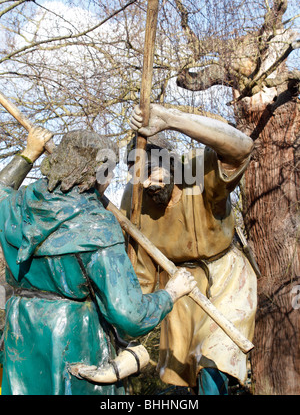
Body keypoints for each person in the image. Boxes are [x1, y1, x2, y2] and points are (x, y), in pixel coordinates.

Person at [0, 126, 197, 395]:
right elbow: (129, 315)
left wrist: (28, 154)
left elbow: (2, 188)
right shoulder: (97, 227)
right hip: (73, 338)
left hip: (21, 330)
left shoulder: (19, 203)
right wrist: (171, 294)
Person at [120, 104, 258, 395]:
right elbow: (141, 272)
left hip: (226, 279)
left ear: (170, 164)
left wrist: (169, 119)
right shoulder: (134, 202)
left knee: (215, 361)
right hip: (180, 287)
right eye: (138, 176)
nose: (147, 183)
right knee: (183, 377)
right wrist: (132, 323)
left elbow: (242, 148)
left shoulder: (198, 172)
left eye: (152, 171)